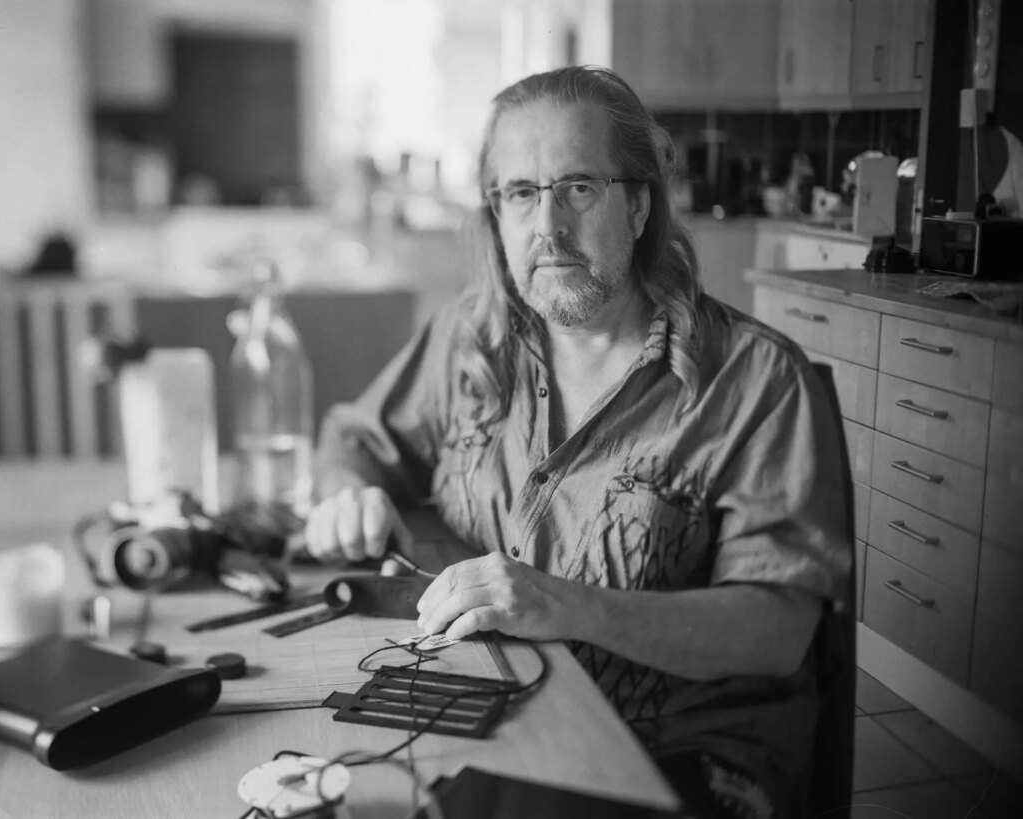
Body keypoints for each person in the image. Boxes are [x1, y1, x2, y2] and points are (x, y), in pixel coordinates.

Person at [304, 66, 852, 819]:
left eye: (578, 188)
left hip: (687, 751)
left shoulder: (755, 380)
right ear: (496, 213)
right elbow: (351, 441)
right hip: (507, 721)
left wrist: (575, 606)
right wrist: (348, 495)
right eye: (521, 194)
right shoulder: (470, 341)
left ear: (637, 205)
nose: (548, 229)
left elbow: (776, 631)